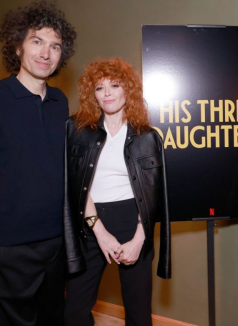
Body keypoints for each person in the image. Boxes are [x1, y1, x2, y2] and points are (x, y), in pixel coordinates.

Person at [0, 0, 76, 325]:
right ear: (18, 45)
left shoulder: (59, 102)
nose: (46, 53)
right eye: (37, 41)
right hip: (8, 247)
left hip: (56, 243)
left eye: (55, 46)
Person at [63, 57, 171, 326]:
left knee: (138, 314)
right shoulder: (76, 130)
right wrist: (98, 230)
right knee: (73, 313)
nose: (107, 93)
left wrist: (138, 239)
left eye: (114, 85)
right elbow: (75, 187)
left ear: (128, 90)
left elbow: (154, 195)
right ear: (93, 94)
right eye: (99, 88)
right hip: (90, 223)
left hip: (133, 223)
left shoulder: (147, 136)